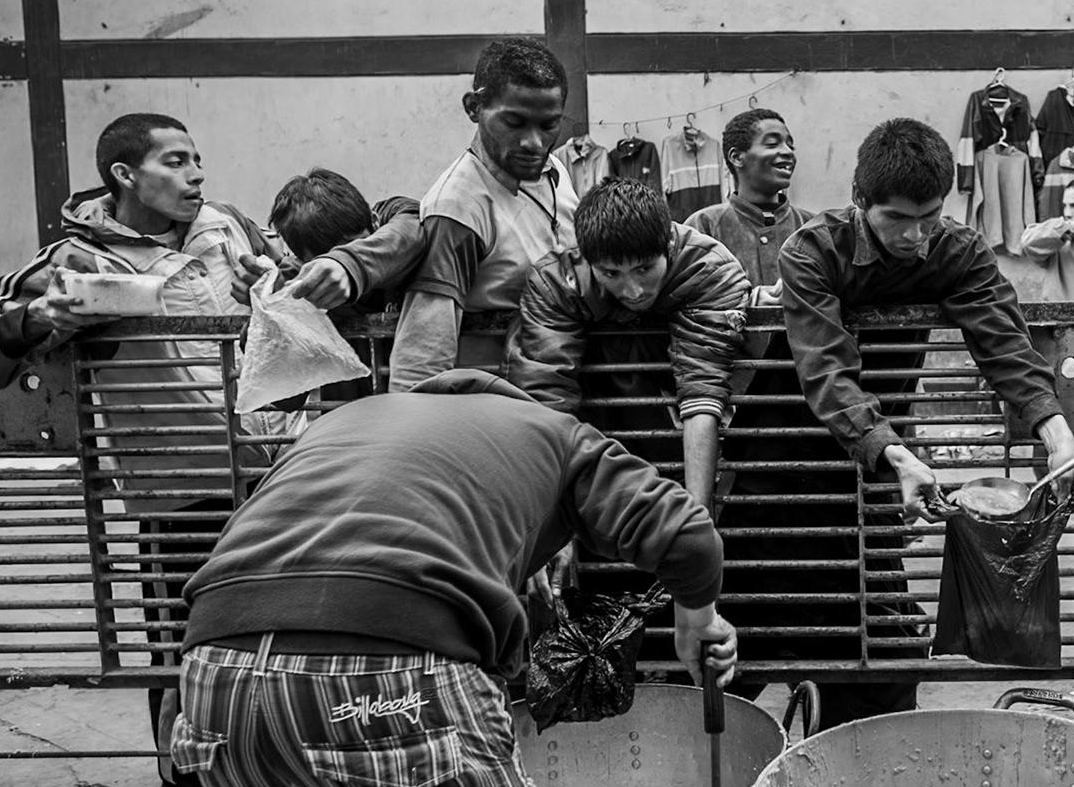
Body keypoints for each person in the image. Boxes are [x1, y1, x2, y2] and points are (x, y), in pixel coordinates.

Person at [172, 368, 737, 787]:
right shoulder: (555, 433)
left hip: (216, 675)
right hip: (388, 679)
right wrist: (696, 619)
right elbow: (688, 536)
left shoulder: (343, 425)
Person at [0, 112, 292, 787]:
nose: (196, 174)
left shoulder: (230, 229)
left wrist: (274, 285)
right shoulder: (72, 262)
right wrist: (36, 319)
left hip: (274, 475)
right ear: (126, 175)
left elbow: (303, 297)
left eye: (198, 158)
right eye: (175, 161)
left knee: (276, 642)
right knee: (186, 654)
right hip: (177, 491)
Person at [743, 119, 1074, 728]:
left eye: (929, 217)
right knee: (745, 643)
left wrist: (1057, 436)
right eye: (897, 219)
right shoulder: (812, 251)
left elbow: (1007, 346)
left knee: (882, 665)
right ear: (860, 198)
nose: (915, 235)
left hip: (873, 478)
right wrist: (896, 454)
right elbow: (828, 372)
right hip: (776, 477)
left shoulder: (957, 250)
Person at [507, 177, 750, 511]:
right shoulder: (556, 284)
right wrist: (548, 519)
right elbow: (547, 403)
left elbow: (702, 393)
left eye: (644, 268)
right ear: (587, 259)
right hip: (598, 430)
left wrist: (698, 519)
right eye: (611, 274)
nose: (633, 290)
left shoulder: (707, 270)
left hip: (678, 433)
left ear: (667, 245)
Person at [389, 38, 579, 390]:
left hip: (561, 390)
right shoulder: (457, 209)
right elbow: (423, 356)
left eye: (549, 125)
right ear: (474, 107)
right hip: (499, 403)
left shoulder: (554, 170)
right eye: (515, 122)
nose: (534, 143)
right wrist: (413, 421)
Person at [683, 107, 812, 296]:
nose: (788, 152)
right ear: (737, 157)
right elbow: (688, 297)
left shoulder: (813, 227)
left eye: (790, 146)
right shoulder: (703, 226)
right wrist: (747, 300)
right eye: (772, 144)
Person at [265, 167, 424, 314]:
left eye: (356, 243)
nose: (336, 276)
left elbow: (408, 231)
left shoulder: (404, 216)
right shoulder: (300, 272)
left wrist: (347, 265)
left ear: (375, 221)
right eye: (325, 259)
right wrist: (270, 293)